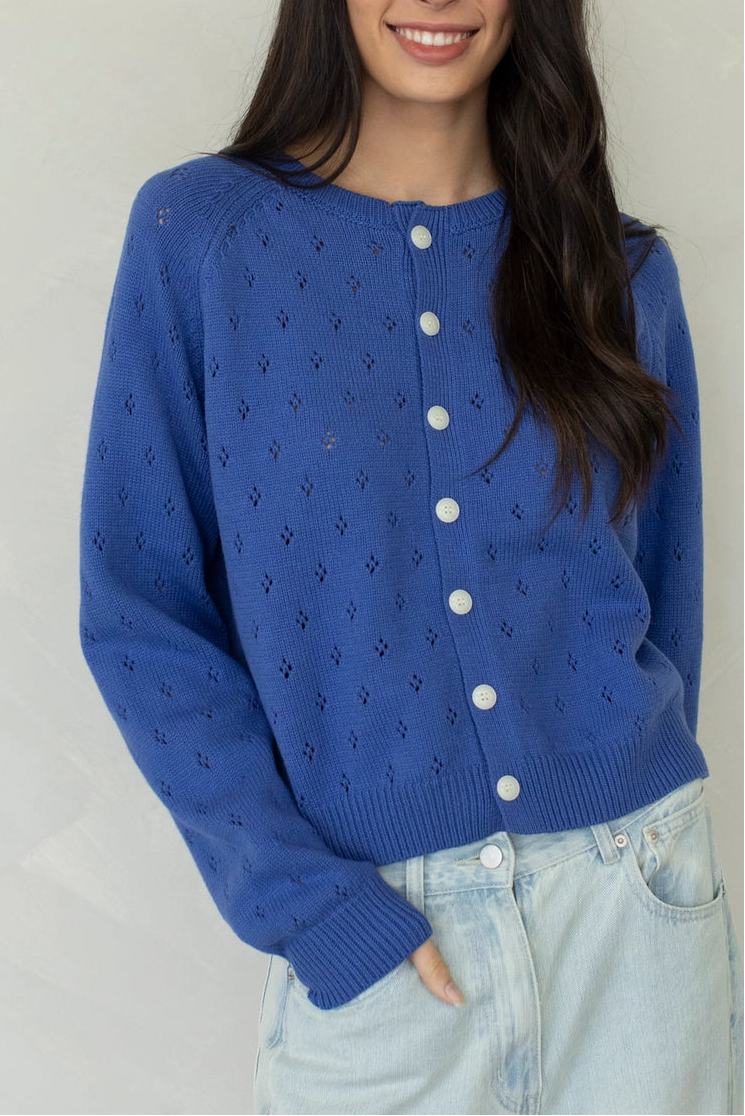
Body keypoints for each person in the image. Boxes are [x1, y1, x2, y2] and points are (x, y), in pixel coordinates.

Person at [78, 1, 743, 1113]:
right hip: (381, 949)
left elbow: (664, 598)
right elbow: (139, 615)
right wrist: (310, 906)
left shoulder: (617, 268)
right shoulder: (201, 240)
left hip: (634, 921)